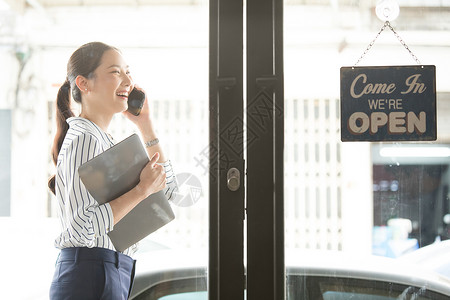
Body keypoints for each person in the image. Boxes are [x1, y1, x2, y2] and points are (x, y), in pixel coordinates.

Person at [48, 41, 177, 299]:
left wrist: (146, 126)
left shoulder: (106, 142)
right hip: (91, 273)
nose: (128, 79)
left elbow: (170, 192)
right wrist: (140, 191)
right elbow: (80, 230)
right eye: (116, 72)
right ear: (84, 84)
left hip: (110, 271)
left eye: (128, 71)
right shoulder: (85, 140)